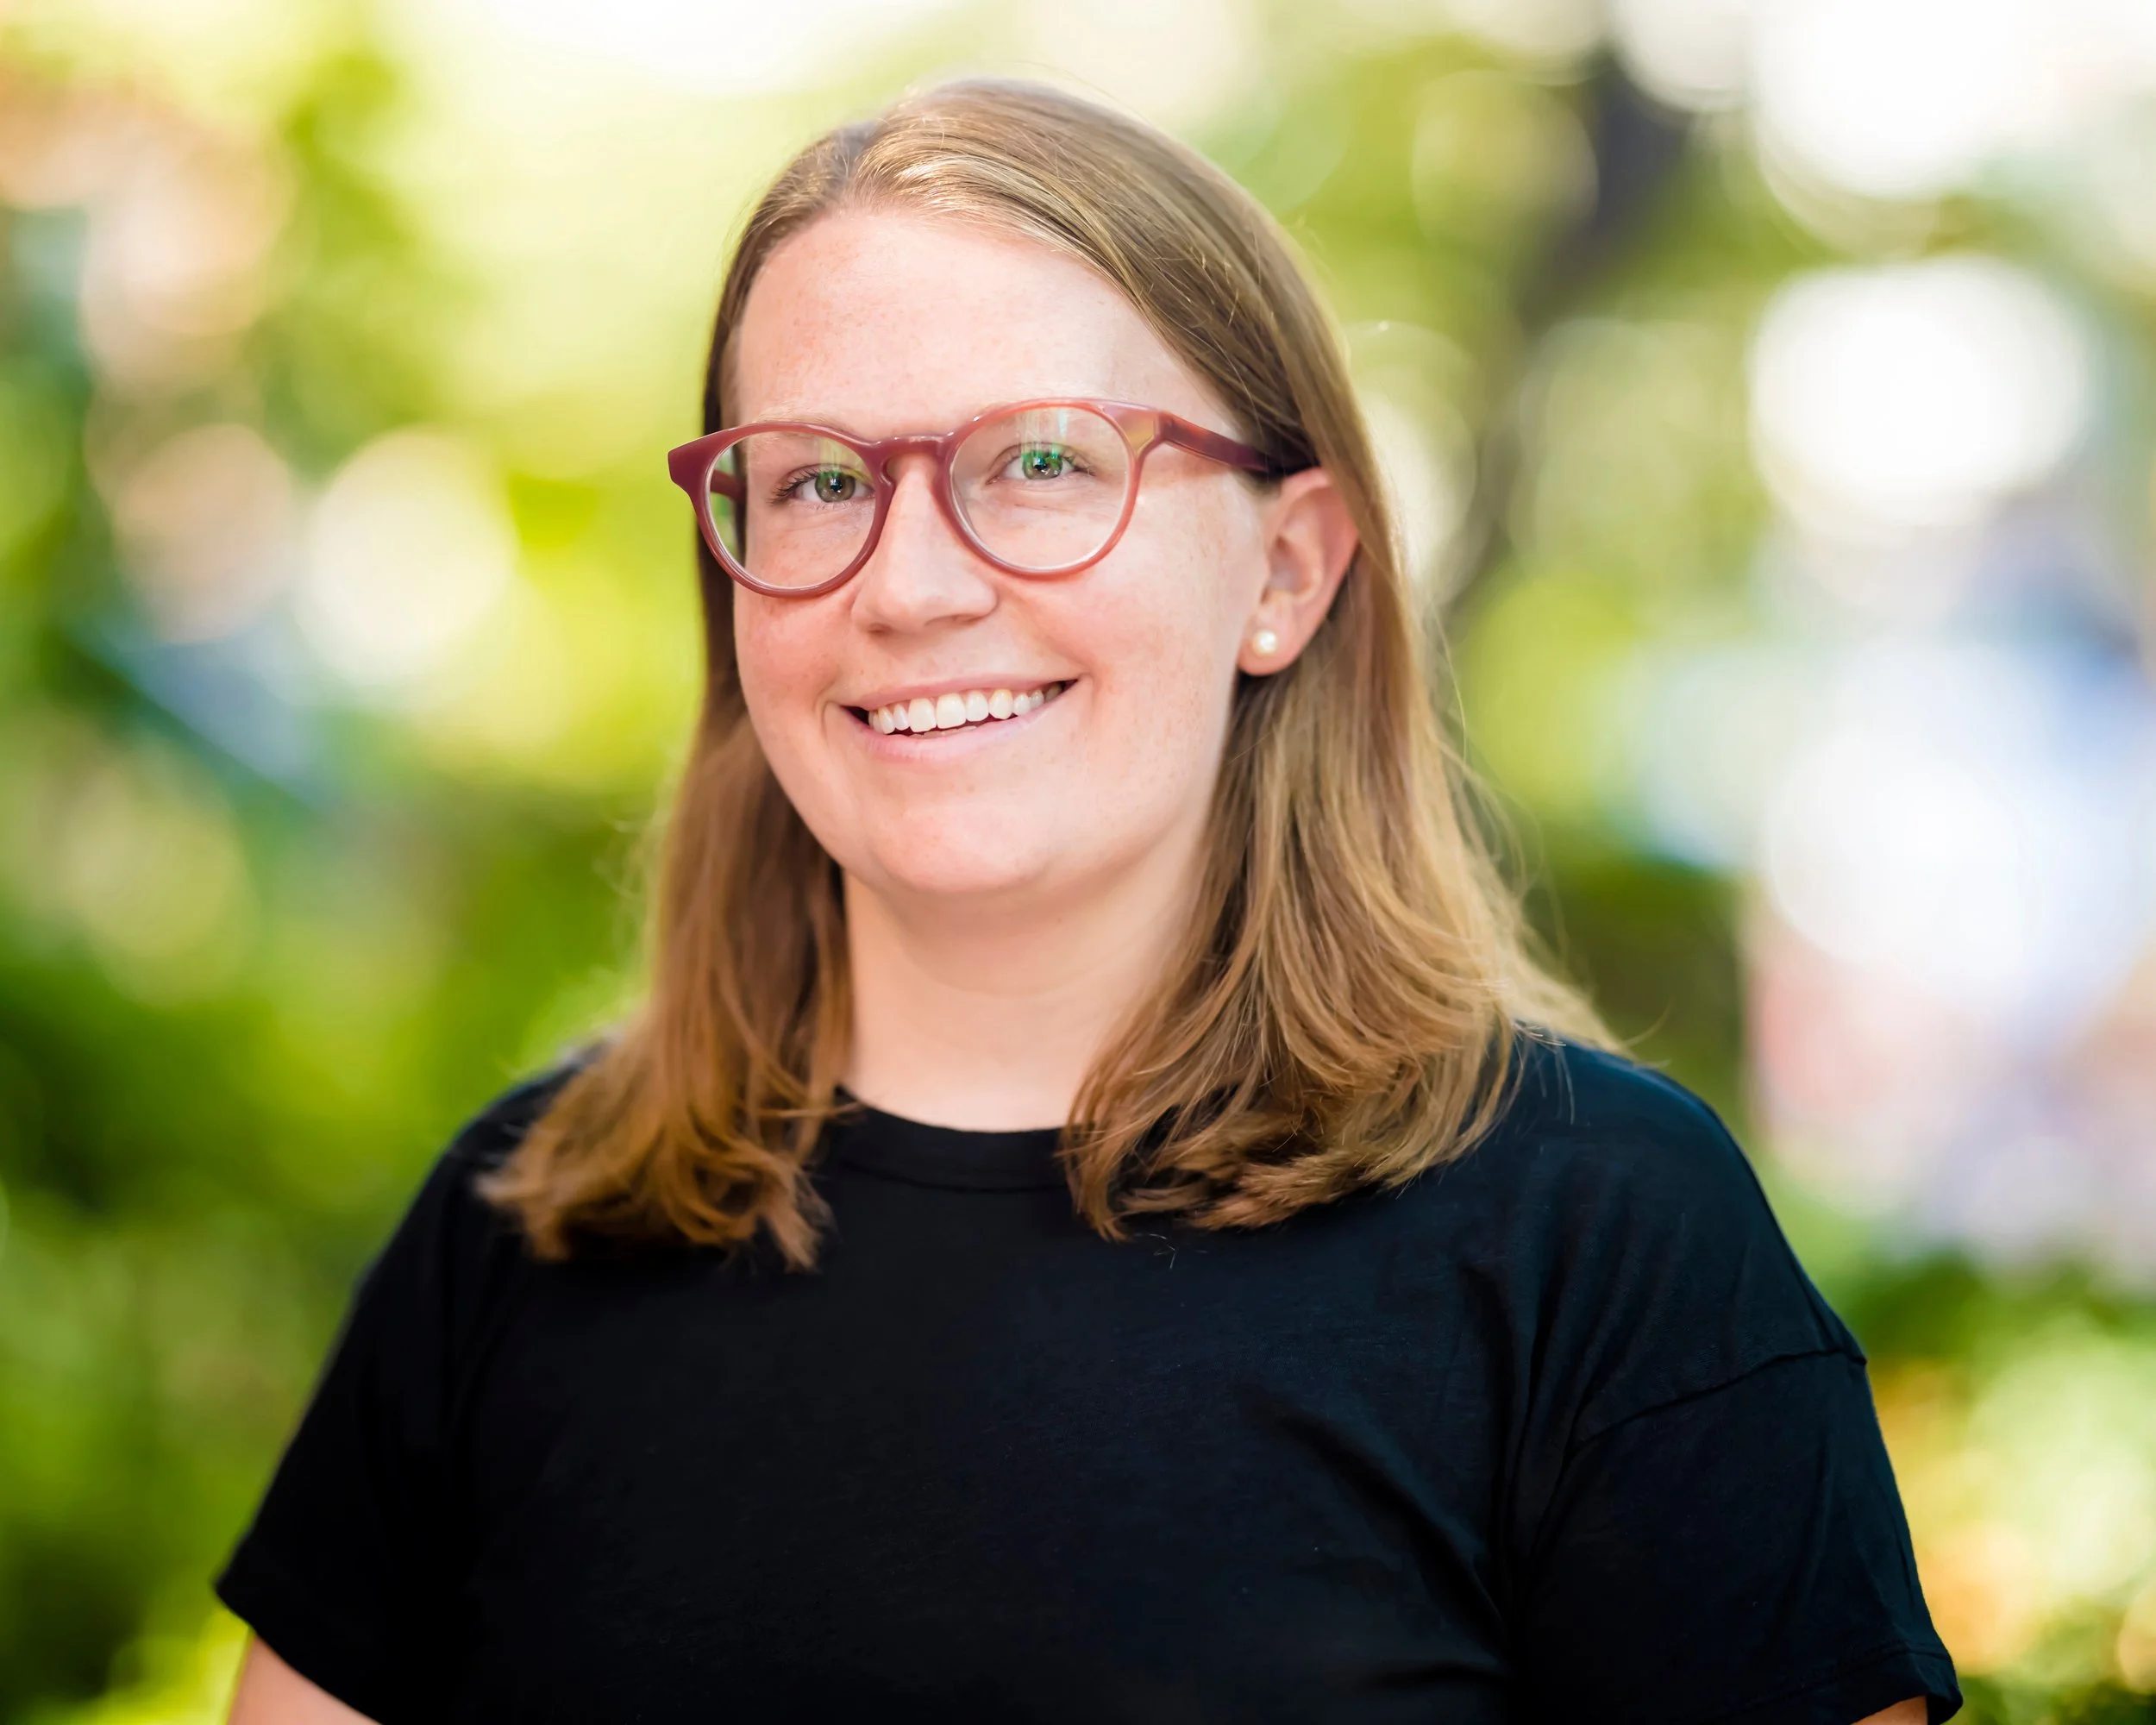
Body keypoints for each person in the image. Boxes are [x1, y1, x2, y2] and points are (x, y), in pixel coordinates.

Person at [219, 79, 1959, 1725]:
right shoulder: (526, 1229)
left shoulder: (1604, 1248)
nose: (904, 583)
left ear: (1283, 569)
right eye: (819, 478)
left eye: (1040, 462)